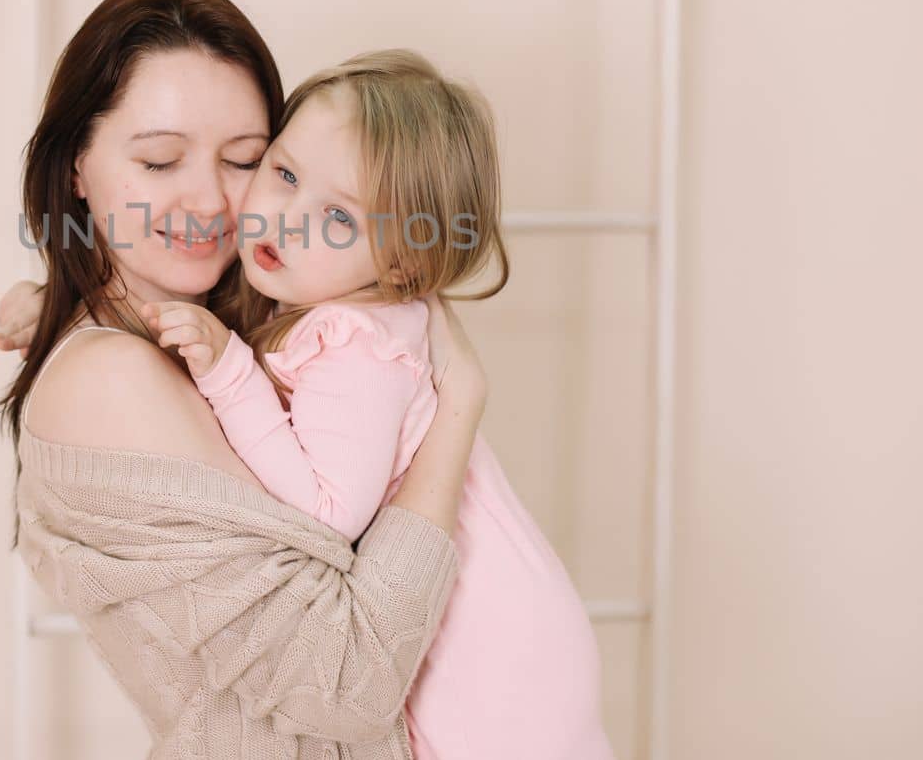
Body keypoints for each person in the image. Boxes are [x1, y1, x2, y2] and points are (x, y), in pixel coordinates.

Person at [0, 0, 489, 756]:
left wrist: (50, 291)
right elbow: (347, 683)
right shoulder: (113, 379)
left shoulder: (222, 331)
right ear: (78, 169)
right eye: (159, 162)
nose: (210, 203)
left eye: (249, 160)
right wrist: (458, 404)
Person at [139, 50, 613, 759]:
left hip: (490, 650)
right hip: (503, 627)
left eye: (336, 213)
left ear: (400, 265)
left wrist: (229, 369)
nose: (287, 219)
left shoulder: (356, 347)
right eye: (285, 172)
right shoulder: (328, 300)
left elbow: (330, 509)